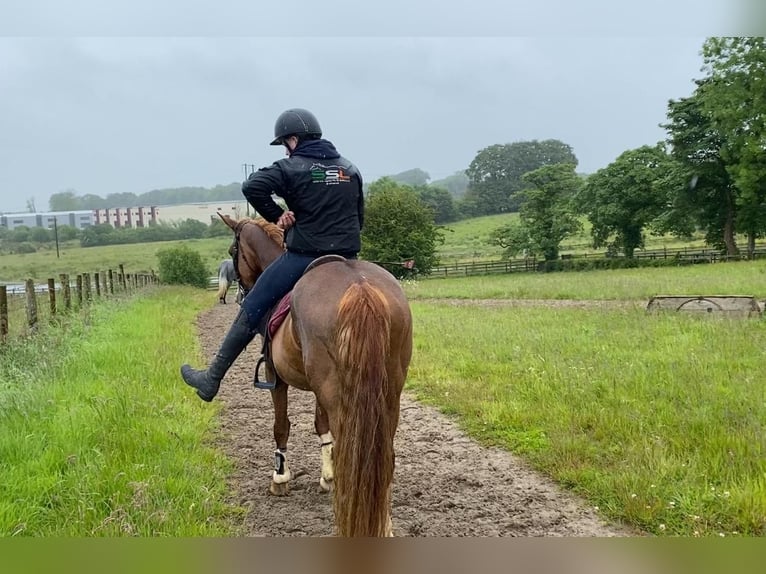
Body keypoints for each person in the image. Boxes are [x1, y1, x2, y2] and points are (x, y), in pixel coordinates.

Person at [181, 108, 364, 402]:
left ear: (293, 140)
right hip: (350, 258)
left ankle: (211, 379)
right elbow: (359, 217)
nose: (286, 150)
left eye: (284, 144)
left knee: (253, 304)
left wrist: (278, 215)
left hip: (304, 256)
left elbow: (251, 186)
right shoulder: (350, 169)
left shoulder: (290, 168)